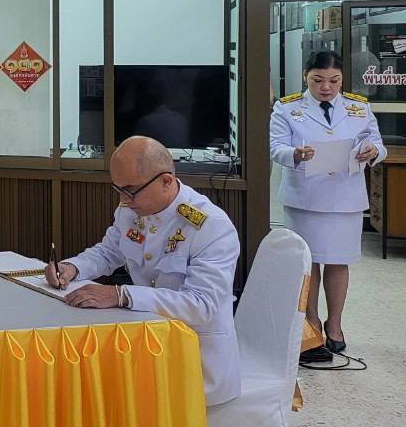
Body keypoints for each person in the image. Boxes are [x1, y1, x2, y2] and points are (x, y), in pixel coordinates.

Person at [46, 136, 241, 406]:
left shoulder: (210, 226)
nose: (124, 200)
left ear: (166, 181)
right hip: (144, 348)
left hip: (196, 362)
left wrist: (121, 295)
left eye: (130, 190)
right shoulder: (131, 209)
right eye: (118, 189)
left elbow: (201, 305)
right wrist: (72, 267)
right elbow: (109, 251)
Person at [269, 50, 383, 359]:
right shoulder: (287, 107)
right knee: (308, 264)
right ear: (305, 76)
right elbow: (275, 147)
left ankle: (335, 324)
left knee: (337, 261)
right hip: (305, 198)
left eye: (334, 80)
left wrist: (373, 151)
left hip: (345, 197)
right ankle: (311, 324)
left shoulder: (359, 107)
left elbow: (377, 144)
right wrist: (295, 154)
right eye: (318, 80)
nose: (326, 87)